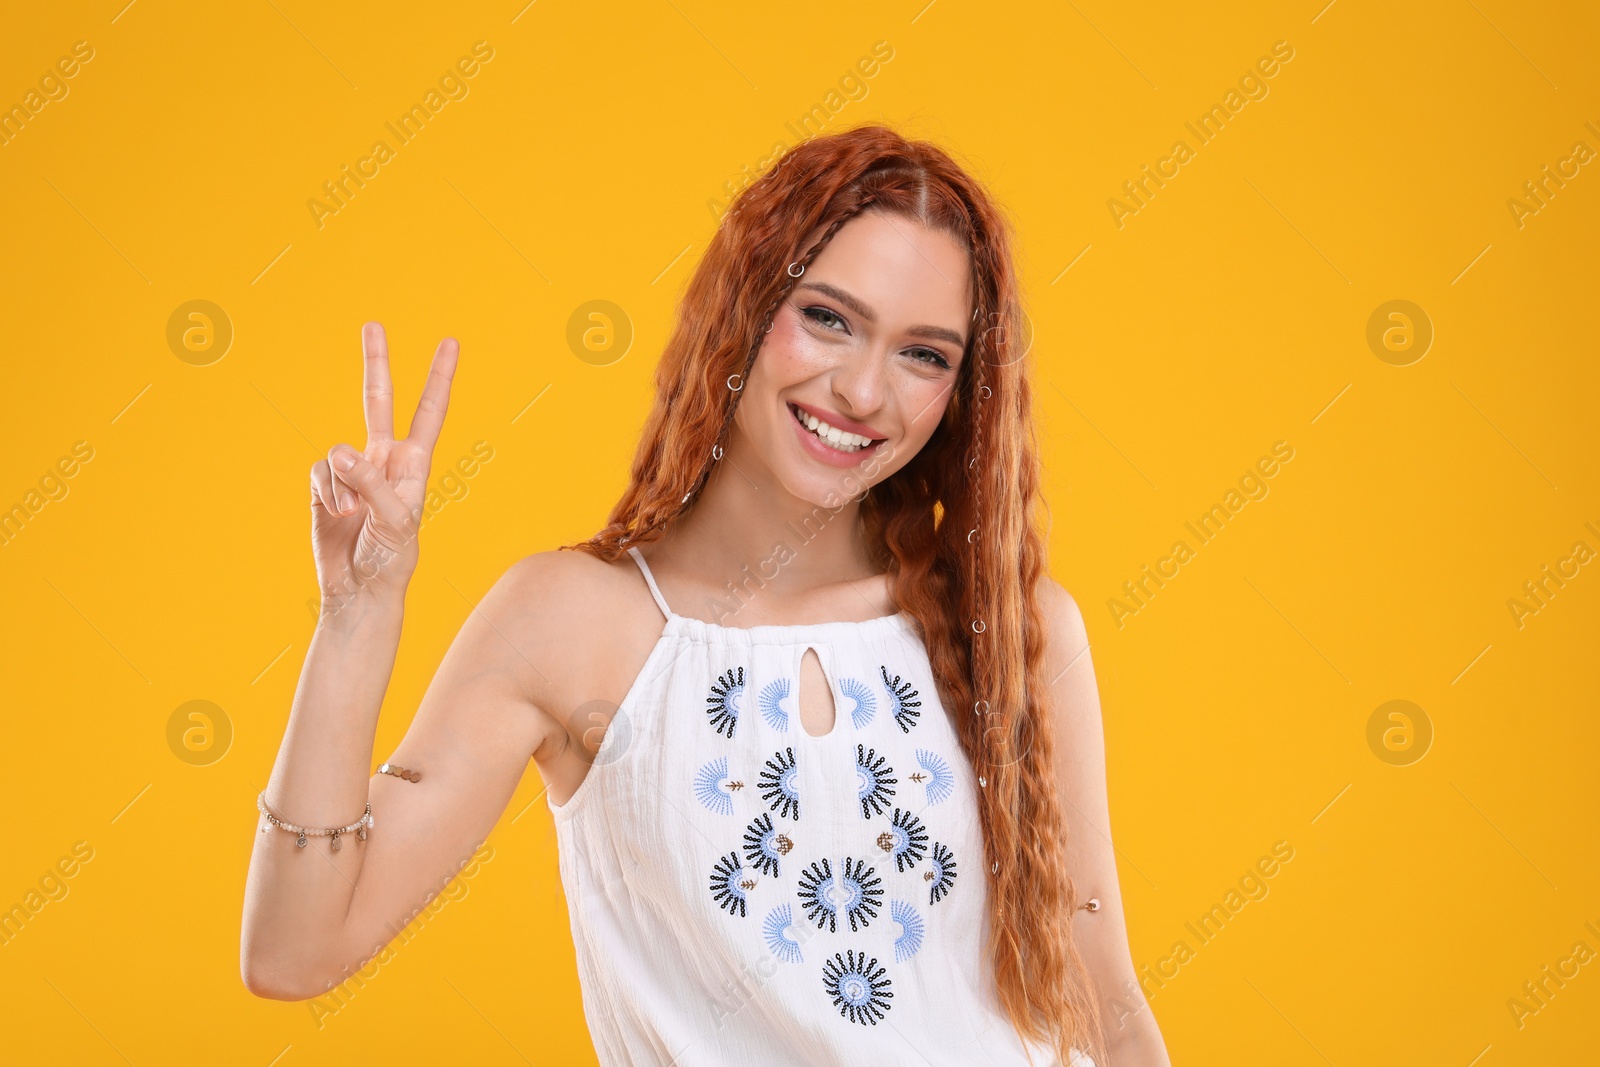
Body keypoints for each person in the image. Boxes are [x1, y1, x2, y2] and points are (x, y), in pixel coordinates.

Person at [240, 123, 1171, 1067]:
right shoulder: (573, 626)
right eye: (829, 317)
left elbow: (1107, 1000)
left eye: (924, 355)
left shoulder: (1015, 629)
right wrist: (357, 614)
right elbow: (293, 949)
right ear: (746, 303)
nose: (861, 389)